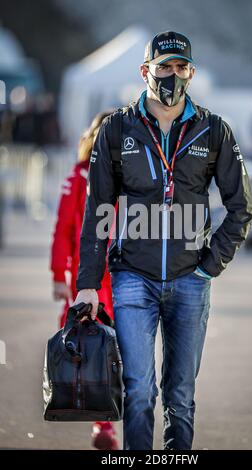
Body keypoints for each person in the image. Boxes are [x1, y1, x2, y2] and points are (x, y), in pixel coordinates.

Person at [73, 31, 252, 450]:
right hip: (132, 278)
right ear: (145, 72)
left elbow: (241, 206)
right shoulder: (117, 129)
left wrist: (211, 264)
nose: (173, 75)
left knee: (181, 396)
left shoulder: (214, 130)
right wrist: (88, 280)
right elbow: (98, 208)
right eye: (164, 67)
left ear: (191, 72)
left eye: (181, 67)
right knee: (138, 392)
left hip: (191, 280)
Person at [50, 111, 119, 450]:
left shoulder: (132, 177)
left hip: (123, 278)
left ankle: (120, 415)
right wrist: (58, 276)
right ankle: (102, 423)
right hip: (86, 281)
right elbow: (63, 228)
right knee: (92, 350)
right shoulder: (78, 176)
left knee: (121, 350)